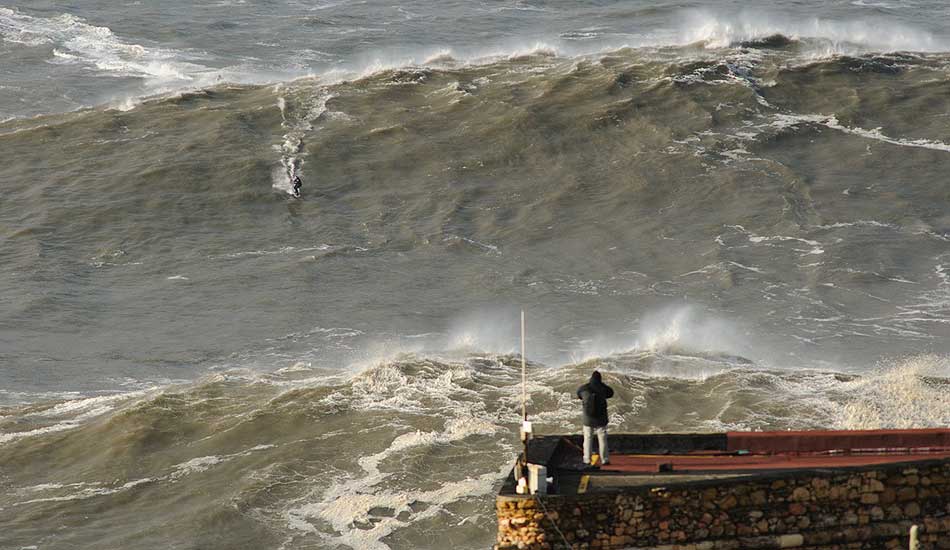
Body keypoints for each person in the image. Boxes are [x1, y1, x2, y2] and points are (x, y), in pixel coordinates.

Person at [576, 370, 614, 465]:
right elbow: (611, 393)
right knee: (602, 438)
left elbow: (578, 394)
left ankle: (587, 459)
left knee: (588, 438)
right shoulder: (603, 388)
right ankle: (605, 460)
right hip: (601, 417)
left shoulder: (584, 388)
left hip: (588, 418)